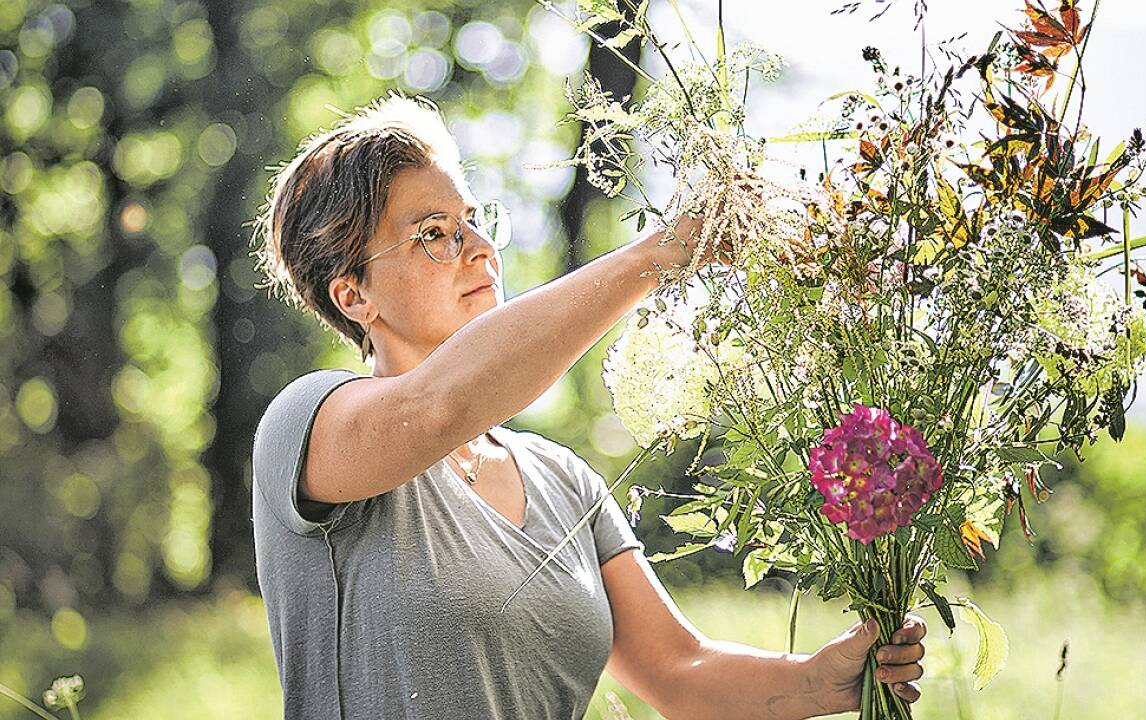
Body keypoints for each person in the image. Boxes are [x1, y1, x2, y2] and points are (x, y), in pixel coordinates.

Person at [249, 91, 927, 720]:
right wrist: (661, 253)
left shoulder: (564, 482)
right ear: (353, 296)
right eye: (435, 233)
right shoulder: (305, 424)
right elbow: (440, 407)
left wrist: (826, 678)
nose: (481, 250)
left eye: (474, 223)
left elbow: (680, 669)